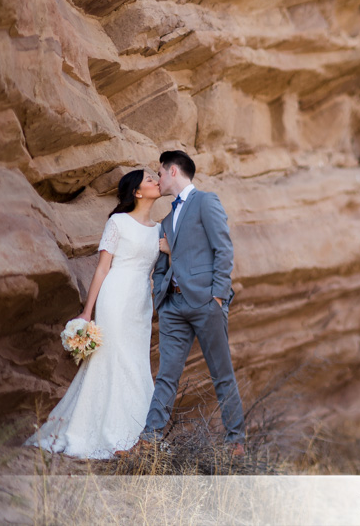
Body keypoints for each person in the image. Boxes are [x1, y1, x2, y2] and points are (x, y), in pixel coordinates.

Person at [25, 170, 164, 458]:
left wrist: (171, 250)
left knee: (136, 362)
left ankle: (141, 436)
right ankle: (111, 434)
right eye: (149, 179)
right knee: (112, 359)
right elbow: (102, 268)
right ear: (137, 192)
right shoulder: (118, 222)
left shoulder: (159, 229)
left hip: (140, 302)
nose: (155, 181)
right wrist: (87, 312)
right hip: (115, 296)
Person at [120, 150, 245, 457]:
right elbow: (164, 261)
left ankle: (236, 443)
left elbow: (223, 249)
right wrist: (161, 298)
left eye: (159, 174)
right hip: (173, 308)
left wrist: (217, 296)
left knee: (222, 373)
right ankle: (147, 442)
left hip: (206, 303)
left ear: (173, 171)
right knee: (166, 375)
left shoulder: (206, 201)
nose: (158, 179)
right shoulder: (165, 219)